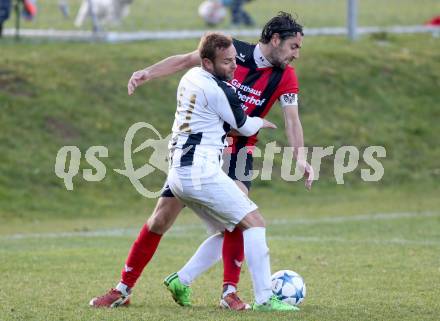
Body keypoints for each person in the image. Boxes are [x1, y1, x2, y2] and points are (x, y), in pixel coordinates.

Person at [90, 12, 314, 310]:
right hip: (202, 150)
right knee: (160, 219)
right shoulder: (230, 52)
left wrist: (300, 157)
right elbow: (185, 60)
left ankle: (228, 292)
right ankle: (124, 289)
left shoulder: (286, 76)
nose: (297, 54)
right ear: (275, 40)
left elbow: (292, 119)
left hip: (238, 151)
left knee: (239, 219)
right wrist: (148, 72)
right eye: (294, 47)